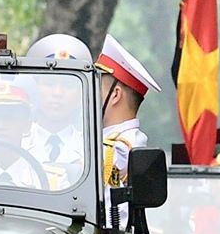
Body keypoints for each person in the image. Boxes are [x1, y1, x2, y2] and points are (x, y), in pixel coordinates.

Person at [95, 35, 158, 189]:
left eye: (96, 87)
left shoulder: (122, 147)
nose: (90, 95)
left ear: (115, 95)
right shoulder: (109, 139)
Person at [25, 33, 91, 172]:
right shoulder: (18, 141)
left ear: (81, 94)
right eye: (49, 83)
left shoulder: (93, 149)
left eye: (68, 85)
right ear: (34, 88)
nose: (57, 93)